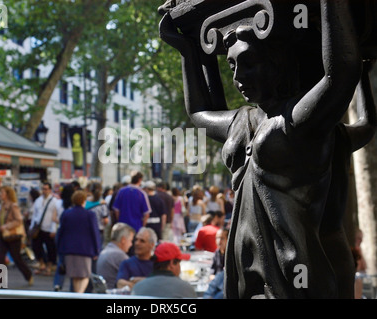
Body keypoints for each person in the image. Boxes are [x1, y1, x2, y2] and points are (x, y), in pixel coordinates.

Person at [159, 0, 372, 298]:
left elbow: (339, 76)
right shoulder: (241, 120)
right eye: (232, 65)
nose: (237, 77)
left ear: (276, 62)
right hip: (244, 270)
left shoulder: (299, 122)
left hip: (294, 273)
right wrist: (187, 50)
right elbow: (200, 112)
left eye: (249, 63)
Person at [56, 190, 101, 293]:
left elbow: (61, 231)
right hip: (85, 249)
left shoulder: (66, 214)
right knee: (85, 275)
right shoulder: (90, 214)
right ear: (84, 201)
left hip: (69, 249)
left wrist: (59, 248)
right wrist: (97, 249)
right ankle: (80, 294)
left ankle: (77, 294)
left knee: (74, 276)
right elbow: (94, 232)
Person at [0, 186, 33, 285]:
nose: (0, 195)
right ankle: (1, 283)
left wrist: (6, 226)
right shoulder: (2, 205)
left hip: (13, 236)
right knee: (0, 258)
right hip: (4, 235)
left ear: (7, 194)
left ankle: (28, 275)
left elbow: (19, 220)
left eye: (2, 192)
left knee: (17, 258)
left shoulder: (13, 206)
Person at [131, 242, 196, 298]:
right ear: (171, 264)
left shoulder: (137, 288)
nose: (180, 267)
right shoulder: (185, 289)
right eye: (179, 263)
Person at [30, 182, 59, 276]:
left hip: (48, 228)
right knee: (36, 247)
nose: (44, 191)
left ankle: (49, 267)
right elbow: (35, 214)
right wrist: (32, 227)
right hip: (38, 227)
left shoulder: (54, 201)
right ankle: (42, 264)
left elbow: (55, 216)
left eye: (46, 189)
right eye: (43, 189)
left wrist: (53, 229)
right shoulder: (38, 200)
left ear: (50, 190)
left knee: (51, 249)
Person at [96, 222, 135, 289]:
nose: (131, 244)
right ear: (123, 240)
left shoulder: (107, 249)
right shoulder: (120, 255)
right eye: (130, 240)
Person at [53, 183, 76, 291]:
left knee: (61, 262)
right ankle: (73, 288)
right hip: (72, 234)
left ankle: (57, 284)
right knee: (73, 262)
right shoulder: (74, 206)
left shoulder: (58, 203)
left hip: (60, 231)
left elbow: (54, 217)